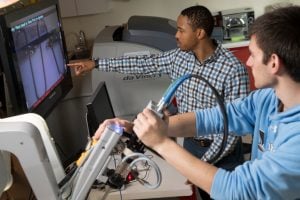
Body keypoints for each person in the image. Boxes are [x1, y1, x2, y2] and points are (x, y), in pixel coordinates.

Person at [95, 5, 300, 199]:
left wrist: (161, 143)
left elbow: (239, 189)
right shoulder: (267, 99)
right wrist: (137, 129)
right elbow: (211, 119)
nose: (248, 61)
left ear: (274, 62)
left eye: (253, 55)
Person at [69, 5, 249, 198]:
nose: (176, 35)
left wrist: (200, 165)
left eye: (181, 30)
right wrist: (96, 63)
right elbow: (144, 64)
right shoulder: (180, 57)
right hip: (191, 144)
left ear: (199, 33)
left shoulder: (232, 69)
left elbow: (232, 131)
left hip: (222, 154)